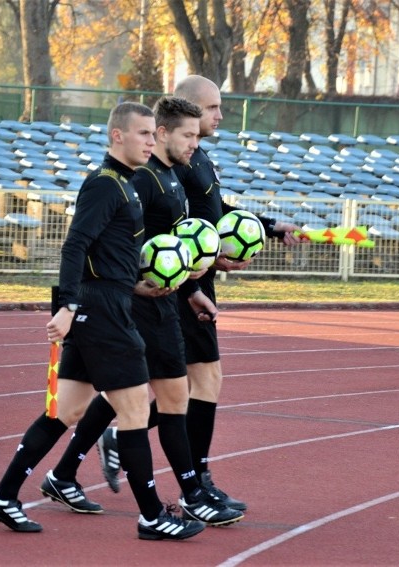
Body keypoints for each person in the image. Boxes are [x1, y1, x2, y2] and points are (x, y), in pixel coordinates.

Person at [0, 101, 205, 541]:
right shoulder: (104, 185)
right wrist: (65, 306)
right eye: (143, 134)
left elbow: (111, 254)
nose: (151, 141)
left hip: (107, 302)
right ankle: (152, 516)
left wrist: (138, 286)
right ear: (117, 136)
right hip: (100, 312)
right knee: (136, 408)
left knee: (68, 410)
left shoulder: (127, 185)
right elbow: (75, 245)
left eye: (152, 134)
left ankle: (3, 496)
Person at [98, 76, 301, 511]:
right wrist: (190, 280)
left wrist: (265, 226)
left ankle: (115, 447)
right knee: (189, 382)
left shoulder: (197, 157)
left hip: (193, 280)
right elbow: (166, 226)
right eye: (211, 109)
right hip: (176, 282)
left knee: (172, 385)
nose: (219, 116)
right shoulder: (171, 163)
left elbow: (214, 211)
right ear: (180, 114)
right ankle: (195, 480)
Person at [42, 96, 243, 527]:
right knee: (144, 399)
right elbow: (108, 243)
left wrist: (191, 284)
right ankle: (187, 494)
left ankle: (63, 473)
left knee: (133, 399)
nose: (194, 141)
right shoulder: (142, 179)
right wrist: (77, 300)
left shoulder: (174, 175)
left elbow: (167, 245)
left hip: (163, 300)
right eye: (186, 134)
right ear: (163, 133)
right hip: (136, 306)